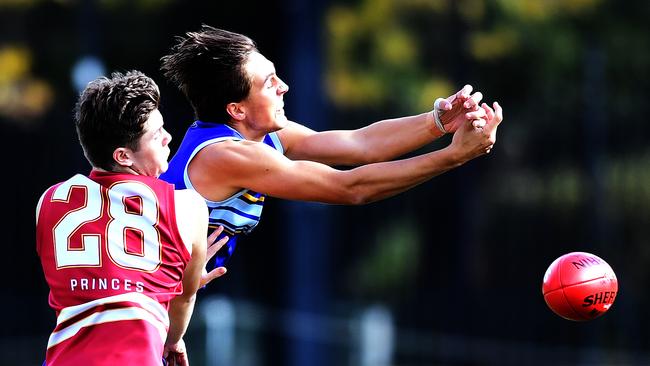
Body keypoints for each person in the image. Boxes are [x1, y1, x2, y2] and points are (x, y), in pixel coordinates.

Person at [160, 25, 503, 267]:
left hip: (154, 299)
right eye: (269, 83)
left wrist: (439, 122)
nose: (285, 86)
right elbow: (351, 188)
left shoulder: (259, 135)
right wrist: (453, 157)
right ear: (237, 110)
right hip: (141, 297)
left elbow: (361, 143)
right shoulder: (228, 154)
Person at [36, 71, 227, 366]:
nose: (168, 138)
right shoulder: (187, 206)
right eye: (156, 134)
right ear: (124, 156)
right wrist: (174, 338)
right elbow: (182, 301)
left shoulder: (48, 201)